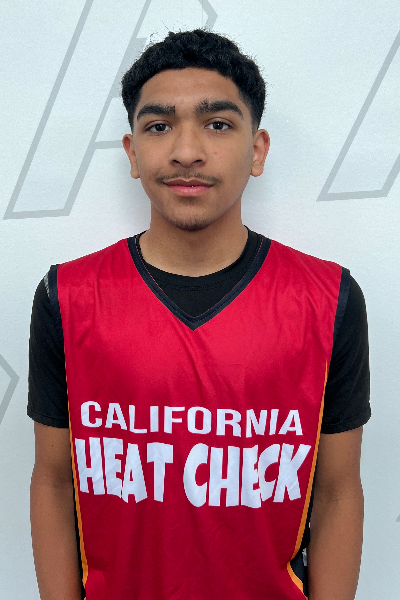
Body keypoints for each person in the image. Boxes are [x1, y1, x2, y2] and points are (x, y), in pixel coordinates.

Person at [28, 29, 370, 600]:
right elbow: (54, 481)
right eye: (159, 126)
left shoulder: (328, 298)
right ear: (132, 152)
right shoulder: (66, 296)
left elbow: (337, 492)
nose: (187, 151)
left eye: (217, 124)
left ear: (257, 150)